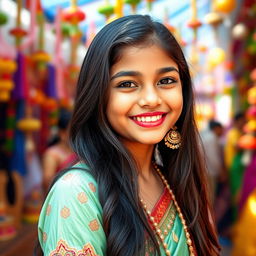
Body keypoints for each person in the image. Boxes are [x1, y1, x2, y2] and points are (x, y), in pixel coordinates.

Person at [36, 15, 220, 256]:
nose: (152, 99)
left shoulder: (179, 180)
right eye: (127, 84)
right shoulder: (76, 194)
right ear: (98, 94)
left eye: (166, 81)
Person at [41, 108, 77, 193]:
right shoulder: (52, 154)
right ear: (62, 134)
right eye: (73, 129)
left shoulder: (80, 152)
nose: (77, 133)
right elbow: (47, 184)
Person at [200, 120, 224, 203]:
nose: (222, 132)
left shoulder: (206, 135)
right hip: (209, 172)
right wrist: (220, 172)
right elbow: (213, 158)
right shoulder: (212, 137)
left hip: (205, 171)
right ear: (217, 128)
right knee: (210, 198)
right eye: (221, 129)